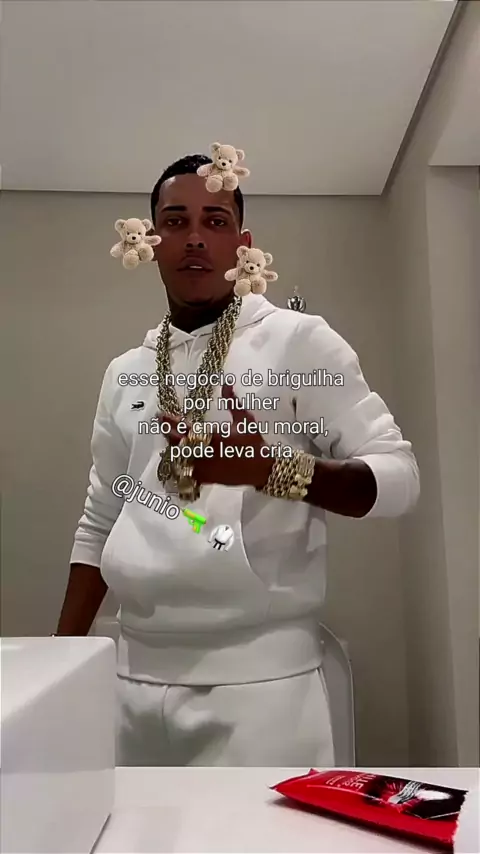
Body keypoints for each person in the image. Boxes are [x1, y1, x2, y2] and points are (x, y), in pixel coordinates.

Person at [56, 153, 420, 767]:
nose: (196, 237)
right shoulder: (126, 372)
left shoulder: (299, 342)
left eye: (216, 221)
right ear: (149, 242)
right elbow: (101, 518)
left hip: (263, 692)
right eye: (175, 221)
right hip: (128, 684)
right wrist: (60, 662)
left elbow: (400, 479)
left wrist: (275, 471)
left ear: (242, 244)